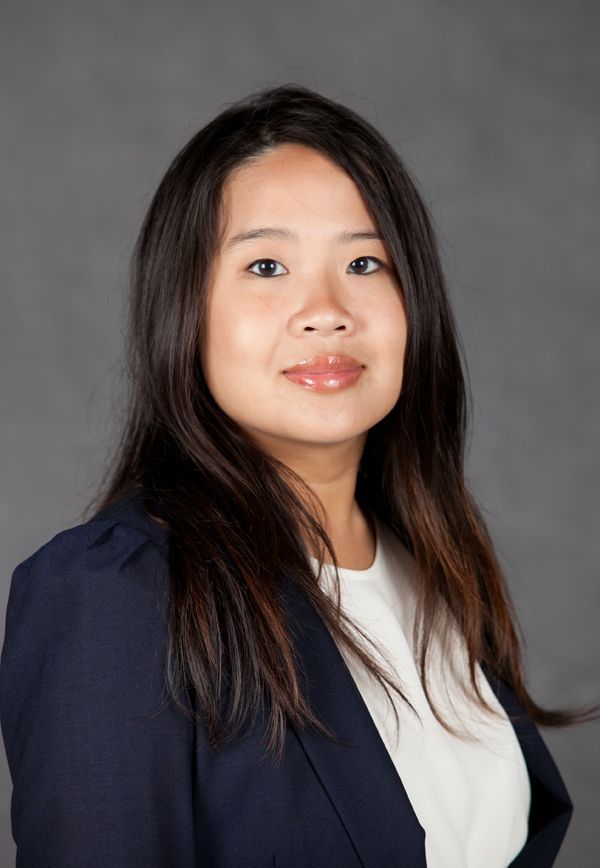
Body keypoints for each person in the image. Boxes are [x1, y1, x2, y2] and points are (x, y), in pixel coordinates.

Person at [0, 84, 595, 868]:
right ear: (185, 309)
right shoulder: (114, 594)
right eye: (267, 265)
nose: (326, 310)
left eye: (364, 262)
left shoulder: (436, 570)